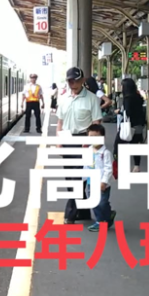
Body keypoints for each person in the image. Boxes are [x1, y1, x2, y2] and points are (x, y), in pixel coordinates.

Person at [56, 67, 103, 224]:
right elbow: (60, 122)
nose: (73, 83)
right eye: (70, 81)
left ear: (82, 80)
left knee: (76, 178)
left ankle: (70, 214)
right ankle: (83, 212)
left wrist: (90, 141)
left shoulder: (91, 98)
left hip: (83, 140)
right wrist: (59, 141)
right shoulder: (63, 98)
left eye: (76, 80)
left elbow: (96, 122)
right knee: (70, 176)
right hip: (67, 139)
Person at [85, 123, 115, 232]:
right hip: (90, 182)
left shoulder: (105, 153)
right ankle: (101, 220)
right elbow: (85, 166)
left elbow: (108, 169)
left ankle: (105, 217)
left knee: (102, 203)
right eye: (91, 137)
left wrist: (104, 182)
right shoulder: (88, 150)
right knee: (93, 202)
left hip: (102, 183)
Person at [114, 78, 147, 172]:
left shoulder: (127, 98)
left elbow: (127, 113)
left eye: (122, 85)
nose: (121, 87)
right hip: (139, 125)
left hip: (129, 126)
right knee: (135, 146)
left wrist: (119, 112)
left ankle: (117, 165)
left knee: (117, 145)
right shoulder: (138, 97)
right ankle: (137, 166)